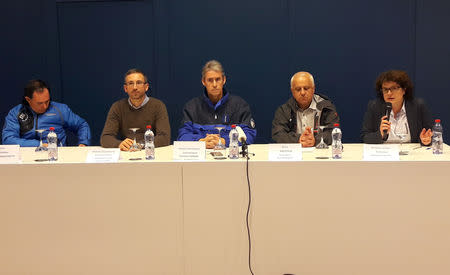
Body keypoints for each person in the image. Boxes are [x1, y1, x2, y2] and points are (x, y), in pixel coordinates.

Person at [177, 60, 256, 149]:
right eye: (210, 80)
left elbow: (249, 134)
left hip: (230, 157)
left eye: (218, 79)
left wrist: (225, 141)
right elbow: (183, 136)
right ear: (203, 81)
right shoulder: (192, 107)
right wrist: (200, 142)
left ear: (224, 80)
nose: (214, 84)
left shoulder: (240, 105)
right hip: (201, 158)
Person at [2, 79, 91, 147]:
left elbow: (82, 125)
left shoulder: (60, 109)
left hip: (57, 155)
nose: (45, 106)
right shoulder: (15, 113)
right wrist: (39, 144)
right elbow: (8, 140)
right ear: (28, 100)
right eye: (40, 103)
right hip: (26, 155)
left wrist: (83, 143)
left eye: (47, 101)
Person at [101, 68, 170, 150]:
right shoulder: (117, 107)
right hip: (127, 152)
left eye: (139, 83)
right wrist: (119, 144)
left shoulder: (158, 106)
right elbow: (105, 138)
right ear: (125, 88)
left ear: (146, 87)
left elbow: (164, 137)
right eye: (130, 83)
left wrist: (141, 144)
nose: (135, 87)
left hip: (150, 152)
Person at [361, 70, 433, 145]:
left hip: (410, 153)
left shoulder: (417, 106)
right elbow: (364, 137)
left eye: (394, 88)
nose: (389, 93)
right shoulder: (375, 106)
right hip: (384, 152)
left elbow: (429, 134)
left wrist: (425, 140)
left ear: (404, 90)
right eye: (385, 89)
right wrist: (380, 134)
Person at [272, 71, 339, 147]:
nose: (303, 92)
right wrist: (298, 139)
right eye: (298, 89)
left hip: (319, 152)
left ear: (313, 89)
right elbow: (277, 134)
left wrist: (315, 140)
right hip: (294, 154)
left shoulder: (326, 107)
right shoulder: (284, 110)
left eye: (306, 88)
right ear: (292, 91)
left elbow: (333, 131)